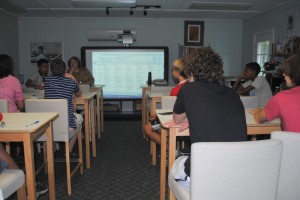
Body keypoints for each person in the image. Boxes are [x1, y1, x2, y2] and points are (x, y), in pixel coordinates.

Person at [165, 47, 247, 179]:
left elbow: (177, 120)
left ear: (191, 70)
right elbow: (218, 115)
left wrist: (191, 119)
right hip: (236, 170)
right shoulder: (231, 92)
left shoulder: (188, 89)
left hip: (204, 171)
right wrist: (194, 119)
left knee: (176, 165)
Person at [0, 55, 48, 197]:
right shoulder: (13, 81)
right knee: (30, 142)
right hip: (12, 121)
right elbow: (20, 105)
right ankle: (32, 179)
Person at [250, 53, 300, 132]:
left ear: (295, 74)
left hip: (291, 144)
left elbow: (258, 118)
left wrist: (257, 112)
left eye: (287, 71)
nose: (283, 74)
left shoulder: (283, 97)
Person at [44, 59, 83, 155]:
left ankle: (52, 150)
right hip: (66, 120)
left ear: (51, 70)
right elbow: (79, 94)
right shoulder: (71, 82)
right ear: (65, 69)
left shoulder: (47, 80)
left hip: (49, 121)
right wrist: (72, 77)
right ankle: (68, 151)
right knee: (80, 121)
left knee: (53, 127)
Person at [144, 58, 188, 134]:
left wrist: (155, 115)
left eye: (173, 70)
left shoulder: (176, 90)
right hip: (188, 119)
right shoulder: (191, 86)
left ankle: (167, 146)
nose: (172, 72)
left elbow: (169, 110)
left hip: (175, 121)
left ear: (178, 72)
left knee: (147, 128)